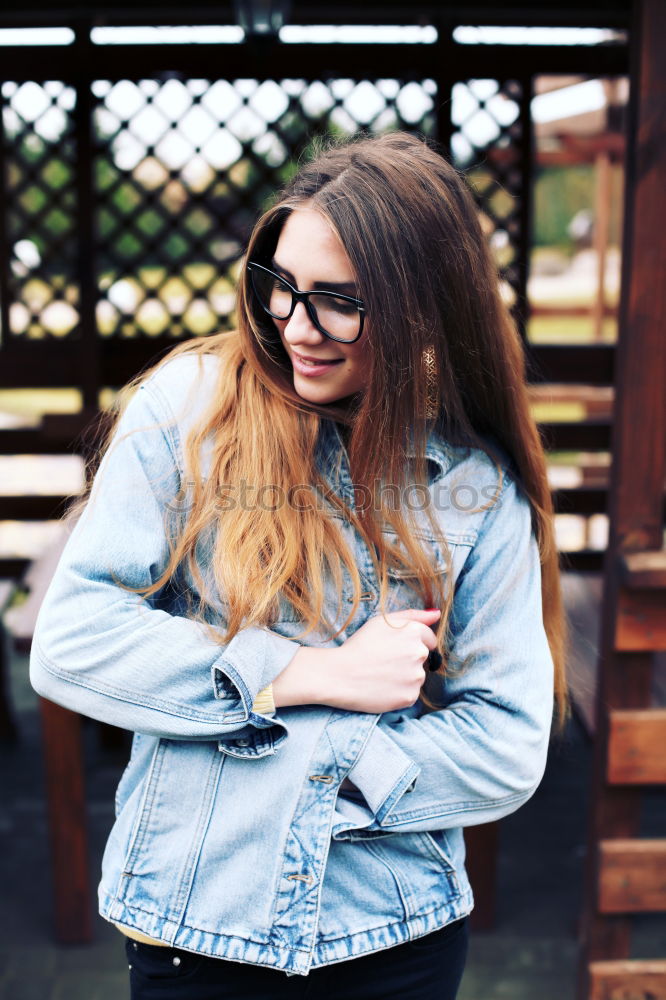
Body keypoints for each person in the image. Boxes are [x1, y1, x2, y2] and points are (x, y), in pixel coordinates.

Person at [30, 130, 569, 1000]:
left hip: (400, 935)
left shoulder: (475, 484)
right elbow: (72, 643)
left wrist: (303, 776)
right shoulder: (185, 412)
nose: (294, 326)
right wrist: (315, 675)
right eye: (279, 287)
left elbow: (505, 742)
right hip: (193, 928)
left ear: (426, 306)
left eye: (336, 301)